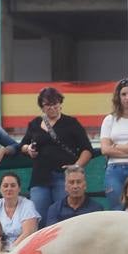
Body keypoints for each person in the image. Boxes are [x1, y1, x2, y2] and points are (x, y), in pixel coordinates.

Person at [19, 86, 95, 224]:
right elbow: (22, 145)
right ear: (42, 107)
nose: (51, 108)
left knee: (64, 216)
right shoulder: (35, 124)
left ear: (60, 104)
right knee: (38, 216)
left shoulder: (71, 123)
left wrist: (76, 167)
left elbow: (87, 149)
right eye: (47, 105)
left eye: (54, 104)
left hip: (63, 176)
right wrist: (28, 148)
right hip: (40, 177)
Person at [0, 174, 41, 250]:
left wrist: (10, 251)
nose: (9, 189)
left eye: (13, 185)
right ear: (0, 189)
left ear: (19, 188)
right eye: (5, 186)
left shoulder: (27, 205)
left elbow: (28, 233)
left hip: (23, 248)